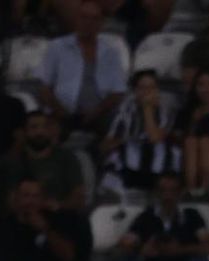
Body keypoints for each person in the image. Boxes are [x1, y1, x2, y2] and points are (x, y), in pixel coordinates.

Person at [38, 0, 128, 135]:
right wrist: (63, 114)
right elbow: (44, 89)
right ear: (76, 19)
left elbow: (118, 92)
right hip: (62, 114)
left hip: (99, 115)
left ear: (101, 23)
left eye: (94, 19)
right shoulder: (56, 47)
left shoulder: (111, 52)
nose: (88, 23)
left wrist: (96, 112)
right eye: (84, 17)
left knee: (118, 124)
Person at [116, 173, 209, 261]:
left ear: (180, 193)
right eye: (163, 191)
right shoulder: (146, 217)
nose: (167, 196)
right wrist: (141, 249)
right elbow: (123, 246)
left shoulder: (191, 216)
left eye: (173, 191)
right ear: (156, 193)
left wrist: (180, 249)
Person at [100, 69, 180, 196]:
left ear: (157, 90)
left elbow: (155, 137)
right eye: (142, 88)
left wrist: (147, 109)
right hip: (130, 160)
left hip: (159, 162)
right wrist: (124, 140)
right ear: (135, 91)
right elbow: (107, 143)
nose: (147, 92)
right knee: (116, 157)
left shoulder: (166, 109)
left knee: (174, 154)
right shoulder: (125, 110)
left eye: (151, 88)